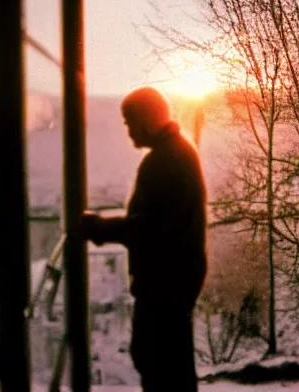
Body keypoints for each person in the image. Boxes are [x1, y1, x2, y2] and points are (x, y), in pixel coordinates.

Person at [80, 86, 207, 391]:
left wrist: (96, 227)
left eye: (129, 122)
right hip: (177, 281)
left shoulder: (163, 163)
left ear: (147, 120)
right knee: (171, 364)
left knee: (157, 363)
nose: (128, 131)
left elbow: (146, 229)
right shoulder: (177, 153)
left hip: (164, 285)